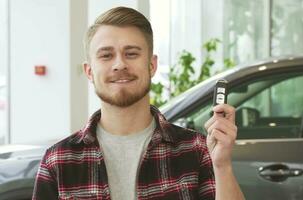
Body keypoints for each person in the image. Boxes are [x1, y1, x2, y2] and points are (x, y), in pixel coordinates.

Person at [32, 6, 245, 200]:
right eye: (106, 55)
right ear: (89, 71)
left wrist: (222, 165)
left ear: (152, 65)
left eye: (131, 54)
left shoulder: (195, 150)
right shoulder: (58, 161)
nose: (119, 64)